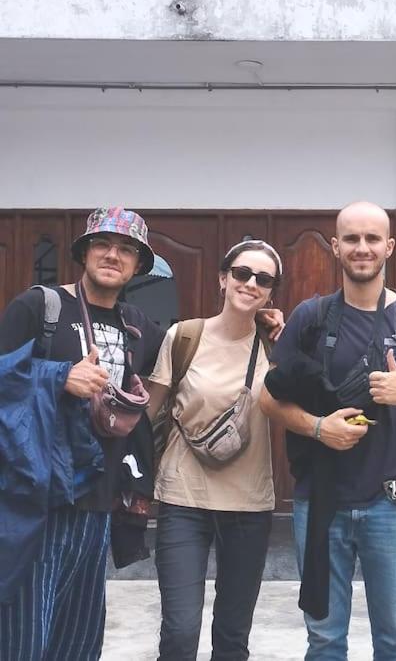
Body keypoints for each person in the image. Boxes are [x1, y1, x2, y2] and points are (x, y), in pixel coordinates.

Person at [260, 201, 396, 660]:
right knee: (325, 640)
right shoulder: (310, 318)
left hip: (391, 504)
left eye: (372, 239)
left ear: (389, 246)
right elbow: (269, 397)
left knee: (395, 640)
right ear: (335, 247)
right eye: (352, 238)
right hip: (322, 502)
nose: (362, 248)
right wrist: (317, 427)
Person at [0, 206, 165, 661]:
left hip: (100, 503)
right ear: (84, 252)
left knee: (78, 641)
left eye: (126, 249)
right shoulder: (40, 307)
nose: (113, 255)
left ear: (138, 265)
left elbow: (194, 353)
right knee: (23, 638)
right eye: (103, 244)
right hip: (39, 503)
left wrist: (268, 331)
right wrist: (58, 376)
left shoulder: (138, 328)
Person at [145, 240, 283, 660]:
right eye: (241, 273)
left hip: (249, 503)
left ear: (271, 292)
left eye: (263, 279)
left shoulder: (277, 345)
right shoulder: (184, 336)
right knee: (181, 631)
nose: (250, 283)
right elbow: (151, 411)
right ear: (223, 279)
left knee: (232, 635)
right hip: (183, 497)